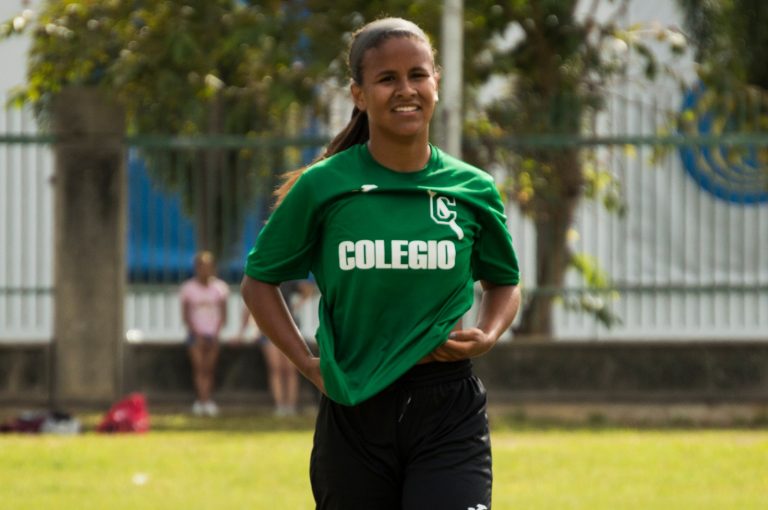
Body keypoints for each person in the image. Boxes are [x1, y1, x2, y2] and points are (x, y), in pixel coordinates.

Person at [241, 17, 521, 509]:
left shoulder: (472, 188)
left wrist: (490, 331)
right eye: (386, 78)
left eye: (418, 74)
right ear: (359, 94)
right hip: (354, 406)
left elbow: (504, 281)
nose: (405, 89)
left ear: (437, 83)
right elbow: (259, 282)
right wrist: (307, 365)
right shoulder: (324, 186)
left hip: (447, 406)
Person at [236, 279, 315, 416]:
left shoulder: (285, 280)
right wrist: (242, 332)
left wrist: (297, 305)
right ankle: (281, 405)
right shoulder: (261, 280)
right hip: (268, 330)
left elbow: (308, 289)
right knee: (276, 368)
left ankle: (290, 406)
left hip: (288, 329)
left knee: (290, 369)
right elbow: (248, 305)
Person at [180, 251, 229, 417]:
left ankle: (208, 400)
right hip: (196, 336)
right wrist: (197, 333)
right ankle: (201, 400)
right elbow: (186, 315)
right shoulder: (188, 288)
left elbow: (223, 315)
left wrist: (214, 333)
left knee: (209, 368)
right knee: (199, 368)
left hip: (213, 334)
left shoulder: (220, 288)